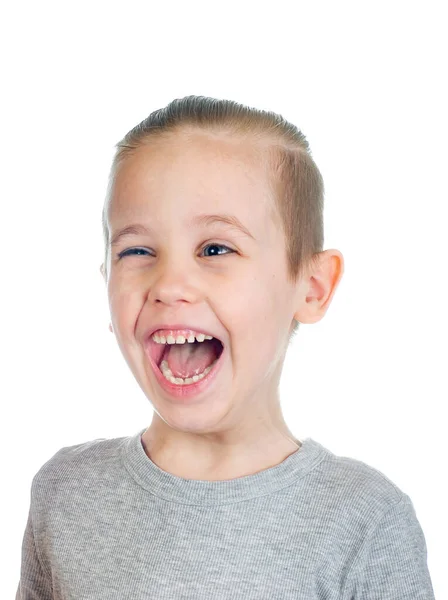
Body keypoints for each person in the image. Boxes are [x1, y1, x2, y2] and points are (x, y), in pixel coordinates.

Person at [16, 95, 435, 598]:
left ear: (313, 286)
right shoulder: (65, 495)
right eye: (137, 251)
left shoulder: (366, 523)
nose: (169, 284)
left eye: (216, 249)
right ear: (106, 281)